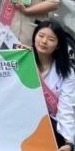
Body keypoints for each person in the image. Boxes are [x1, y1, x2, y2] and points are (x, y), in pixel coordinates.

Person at [32, 20, 75, 151]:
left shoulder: (66, 72)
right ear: (34, 37)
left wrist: (69, 142)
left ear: (58, 45)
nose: (44, 41)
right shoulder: (22, 61)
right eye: (41, 36)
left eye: (51, 39)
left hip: (51, 125)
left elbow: (66, 108)